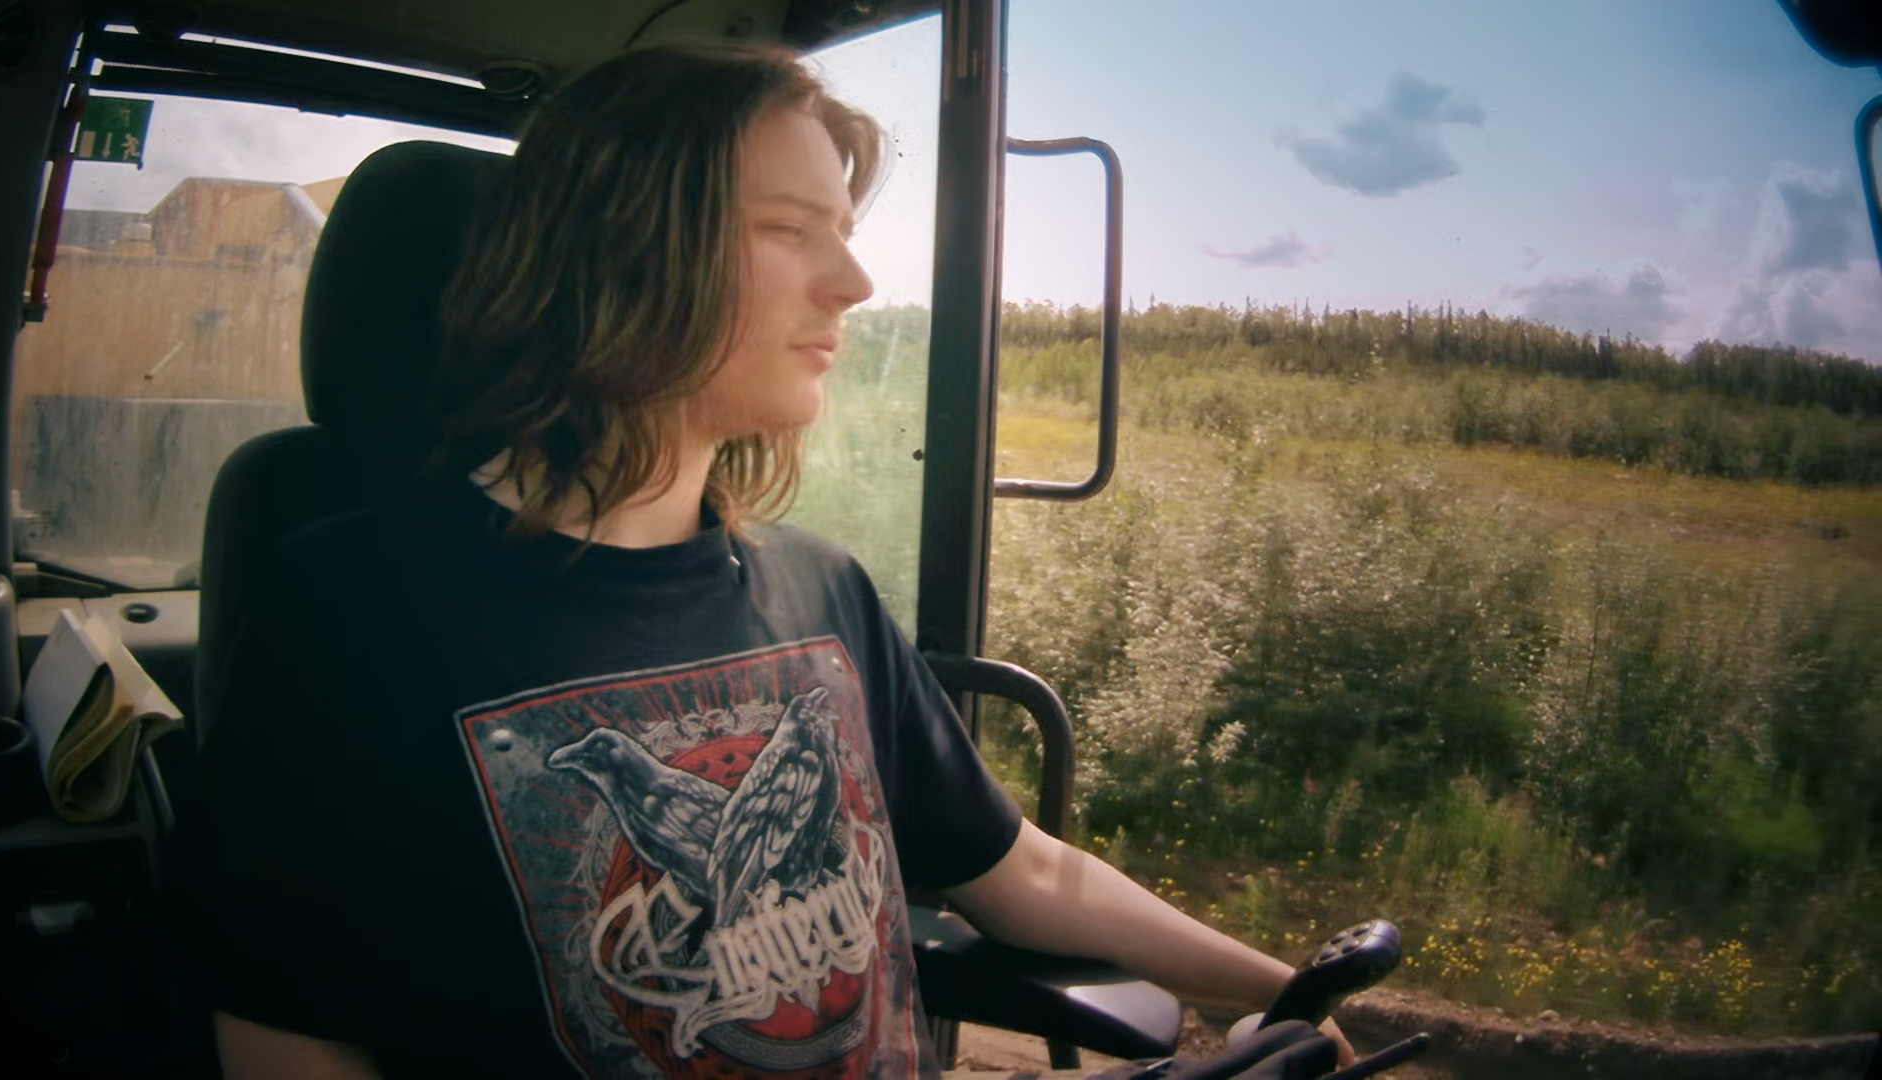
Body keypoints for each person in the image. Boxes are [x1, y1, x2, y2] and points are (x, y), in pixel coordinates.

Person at [171, 40, 1356, 1079]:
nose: (855, 283)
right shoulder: (352, 613)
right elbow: (284, 1037)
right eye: (792, 231)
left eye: (844, 233)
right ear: (619, 251)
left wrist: (1290, 991)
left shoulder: (820, 588)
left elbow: (1024, 875)